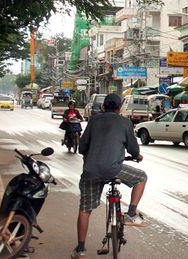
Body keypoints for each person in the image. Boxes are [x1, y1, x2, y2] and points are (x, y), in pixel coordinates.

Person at [71, 94, 147, 258]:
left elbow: (82, 148)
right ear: (120, 108)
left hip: (91, 171)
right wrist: (137, 156)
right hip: (114, 169)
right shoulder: (125, 122)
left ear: (103, 107)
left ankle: (80, 249)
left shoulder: (93, 121)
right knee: (141, 177)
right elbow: (134, 150)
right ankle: (132, 212)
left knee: (85, 209)